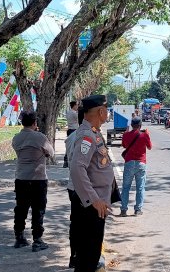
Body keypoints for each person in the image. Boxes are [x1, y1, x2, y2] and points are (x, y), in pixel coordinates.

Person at [69, 95, 115, 272]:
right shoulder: (87, 136)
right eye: (107, 110)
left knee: (91, 254)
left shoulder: (94, 132)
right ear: (101, 111)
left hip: (95, 203)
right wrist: (93, 200)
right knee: (88, 255)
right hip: (91, 206)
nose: (108, 114)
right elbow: (77, 169)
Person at [11, 110, 55, 252]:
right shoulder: (40, 137)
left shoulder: (16, 138)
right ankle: (37, 240)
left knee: (21, 208)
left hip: (21, 177)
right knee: (38, 209)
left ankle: (19, 237)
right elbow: (51, 153)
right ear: (35, 123)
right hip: (38, 178)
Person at [119, 117, 152, 217]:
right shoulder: (144, 135)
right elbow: (150, 147)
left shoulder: (126, 134)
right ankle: (138, 210)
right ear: (140, 125)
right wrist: (147, 135)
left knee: (125, 187)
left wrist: (127, 133)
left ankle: (123, 210)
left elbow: (124, 146)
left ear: (132, 125)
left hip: (129, 162)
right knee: (140, 187)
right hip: (141, 163)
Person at [64, 101, 80, 168]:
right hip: (74, 130)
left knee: (69, 146)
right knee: (73, 147)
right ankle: (68, 160)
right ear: (74, 105)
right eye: (77, 105)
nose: (77, 106)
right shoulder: (74, 113)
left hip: (69, 130)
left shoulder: (68, 112)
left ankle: (66, 161)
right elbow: (79, 119)